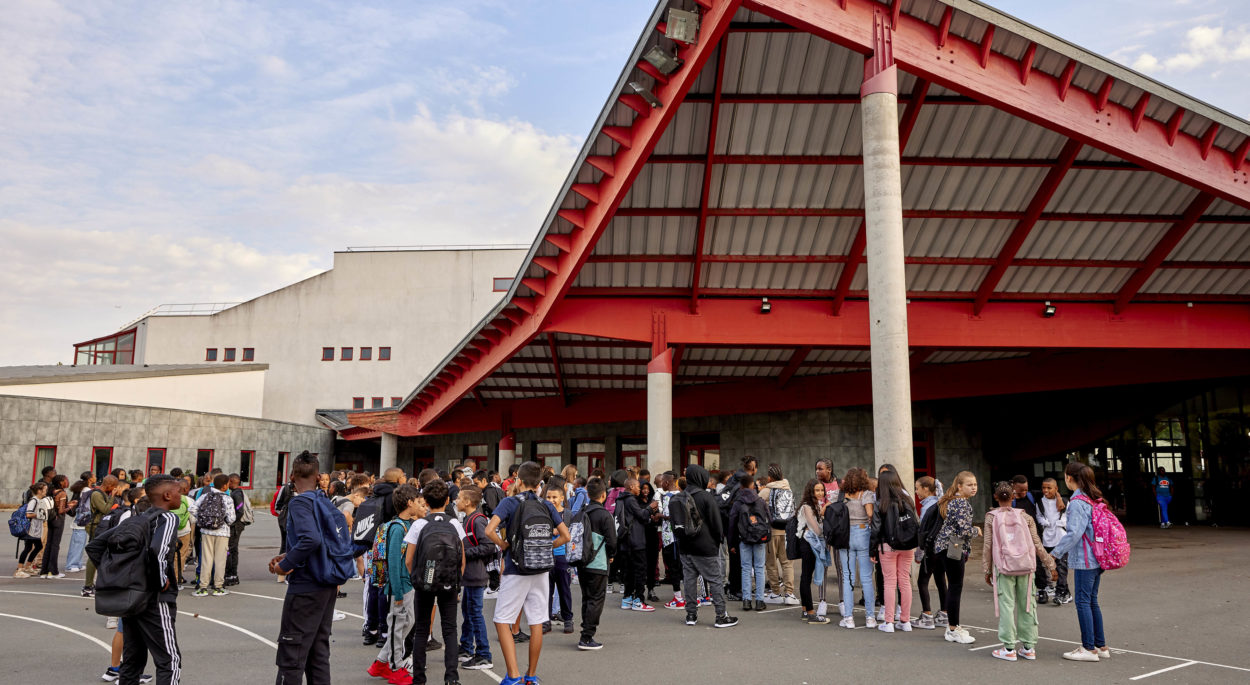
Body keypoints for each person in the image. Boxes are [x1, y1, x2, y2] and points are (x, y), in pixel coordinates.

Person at [484, 461, 571, 685]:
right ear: (539, 482)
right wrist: (545, 546)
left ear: (518, 480)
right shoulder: (547, 505)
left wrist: (503, 545)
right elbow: (565, 536)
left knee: (502, 620)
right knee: (537, 621)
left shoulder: (509, 502)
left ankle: (513, 675)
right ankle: (531, 675)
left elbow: (489, 529)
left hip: (516, 567)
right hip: (541, 569)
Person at [270, 451, 342, 684]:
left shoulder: (300, 501)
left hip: (306, 585)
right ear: (319, 476)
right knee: (318, 652)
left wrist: (286, 565)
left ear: (292, 476)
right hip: (326, 582)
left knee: (292, 652)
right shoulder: (323, 501)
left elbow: (311, 539)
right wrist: (288, 554)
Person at [983, 481, 1057, 662]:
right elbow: (1037, 544)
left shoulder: (991, 517)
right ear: (1014, 496)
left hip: (1003, 567)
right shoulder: (1025, 517)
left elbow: (987, 546)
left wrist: (987, 569)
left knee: (1007, 606)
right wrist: (1050, 565)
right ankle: (1029, 647)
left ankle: (1009, 648)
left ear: (995, 497)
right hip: (1026, 566)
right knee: (1027, 605)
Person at [401, 479, 465, 685]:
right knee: (450, 630)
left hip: (424, 582)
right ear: (448, 500)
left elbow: (409, 559)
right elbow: (462, 558)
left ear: (425, 502)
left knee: (421, 629)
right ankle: (451, 678)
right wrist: (457, 582)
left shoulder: (419, 524)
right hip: (448, 581)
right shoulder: (454, 523)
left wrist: (417, 578)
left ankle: (419, 678)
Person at [1052, 463, 1110, 663]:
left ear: (1069, 478)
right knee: (1092, 600)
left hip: (1085, 559)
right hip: (1098, 557)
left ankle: (1088, 648)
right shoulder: (1091, 498)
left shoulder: (1077, 501)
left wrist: (1055, 553)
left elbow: (1074, 533)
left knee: (1083, 602)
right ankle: (1100, 645)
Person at [366, 483, 422, 683]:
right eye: (417, 502)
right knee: (397, 626)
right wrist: (397, 592)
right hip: (398, 587)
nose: (419, 505)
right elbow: (393, 564)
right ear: (409, 503)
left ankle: (381, 661)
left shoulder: (408, 525)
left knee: (407, 622)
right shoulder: (398, 528)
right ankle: (395, 665)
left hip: (407, 585)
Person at [673, 465, 737, 628]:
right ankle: (721, 615)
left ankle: (691, 614)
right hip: (705, 546)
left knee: (689, 580)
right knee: (715, 580)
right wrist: (718, 541)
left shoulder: (678, 497)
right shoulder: (706, 497)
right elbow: (716, 523)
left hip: (685, 546)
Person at [934, 470, 980, 645]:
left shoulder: (955, 501)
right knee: (955, 587)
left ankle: (952, 627)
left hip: (947, 547)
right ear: (959, 486)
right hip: (952, 548)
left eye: (975, 484)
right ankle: (953, 629)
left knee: (953, 586)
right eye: (970, 485)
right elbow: (964, 530)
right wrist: (976, 530)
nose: (974, 488)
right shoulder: (961, 503)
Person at [871, 469, 917, 633]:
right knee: (904, 580)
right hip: (907, 545)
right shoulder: (908, 500)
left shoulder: (880, 503)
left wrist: (872, 550)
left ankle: (889, 622)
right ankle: (905, 621)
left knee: (889, 582)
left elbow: (875, 529)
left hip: (887, 546)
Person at [455, 485, 496, 670]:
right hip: (471, 576)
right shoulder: (469, 519)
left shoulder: (477, 521)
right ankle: (465, 648)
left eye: (459, 497)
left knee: (475, 614)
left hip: (476, 575)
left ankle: (484, 654)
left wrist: (464, 553)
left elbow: (488, 546)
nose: (456, 500)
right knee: (468, 612)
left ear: (468, 502)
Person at [576, 477, 617, 650]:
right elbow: (612, 541)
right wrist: (612, 555)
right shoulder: (605, 515)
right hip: (598, 562)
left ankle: (585, 630)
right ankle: (587, 636)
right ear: (603, 495)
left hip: (582, 561)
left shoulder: (582, 512)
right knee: (596, 599)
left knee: (587, 597)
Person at [837, 468, 875, 629]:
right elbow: (870, 514)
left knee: (848, 577)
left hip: (845, 536)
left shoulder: (842, 495)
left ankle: (848, 617)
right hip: (863, 533)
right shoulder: (866, 494)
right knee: (866, 578)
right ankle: (870, 617)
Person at [728, 473, 770, 613]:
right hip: (759, 538)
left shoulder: (738, 502)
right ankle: (759, 601)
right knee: (759, 568)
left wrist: (731, 543)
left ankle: (746, 600)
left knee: (745, 569)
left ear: (741, 486)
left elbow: (732, 524)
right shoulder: (760, 501)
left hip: (743, 538)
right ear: (753, 485)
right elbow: (769, 519)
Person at [188, 474, 235, 597]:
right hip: (222, 532)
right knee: (220, 559)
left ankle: (203, 587)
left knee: (206, 559)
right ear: (225, 486)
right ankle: (218, 586)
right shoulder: (227, 499)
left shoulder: (205, 496)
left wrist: (202, 519)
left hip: (206, 531)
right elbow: (231, 518)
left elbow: (192, 509)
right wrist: (225, 521)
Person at [757, 464, 797, 605]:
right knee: (787, 564)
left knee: (771, 563)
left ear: (770, 477)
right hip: (786, 531)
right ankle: (790, 594)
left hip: (771, 532)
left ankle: (775, 593)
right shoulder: (788, 488)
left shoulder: (766, 491)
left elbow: (756, 507)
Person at [616, 477, 657, 611]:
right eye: (638, 487)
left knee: (628, 571)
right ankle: (639, 600)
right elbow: (642, 515)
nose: (640, 489)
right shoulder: (631, 500)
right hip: (636, 540)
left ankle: (627, 598)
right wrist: (650, 508)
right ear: (631, 487)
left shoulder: (620, 499)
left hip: (624, 541)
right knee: (640, 570)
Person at [795, 478, 830, 624]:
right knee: (806, 576)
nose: (820, 492)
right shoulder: (807, 506)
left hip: (810, 541)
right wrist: (823, 521)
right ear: (811, 491)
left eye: (822, 490)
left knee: (806, 576)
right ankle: (810, 612)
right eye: (817, 490)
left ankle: (805, 609)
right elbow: (816, 528)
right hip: (808, 542)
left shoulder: (815, 505)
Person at [913, 477, 947, 630]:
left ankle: (927, 615)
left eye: (917, 488)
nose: (916, 491)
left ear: (926, 489)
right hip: (942, 548)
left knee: (922, 581)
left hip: (930, 548)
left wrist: (919, 553)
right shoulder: (940, 503)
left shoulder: (928, 507)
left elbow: (923, 532)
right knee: (940, 580)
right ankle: (944, 614)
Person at [544, 484, 576, 632]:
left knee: (564, 590)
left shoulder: (568, 514)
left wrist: (561, 531)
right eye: (548, 497)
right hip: (546, 557)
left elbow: (573, 534)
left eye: (555, 497)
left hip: (563, 557)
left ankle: (568, 619)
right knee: (546, 591)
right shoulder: (543, 513)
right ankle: (546, 620)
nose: (551, 500)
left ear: (562, 498)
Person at [1036, 477, 1071, 605]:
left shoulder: (1065, 502)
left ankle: (1060, 591)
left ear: (1056, 488)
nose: (1046, 490)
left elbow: (1069, 518)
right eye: (1043, 488)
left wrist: (1058, 523)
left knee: (1062, 565)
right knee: (1046, 565)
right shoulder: (1040, 502)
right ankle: (1051, 589)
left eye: (1049, 488)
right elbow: (1039, 516)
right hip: (1047, 538)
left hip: (1061, 537)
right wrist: (1044, 522)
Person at [83, 475, 119, 596]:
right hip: (95, 526)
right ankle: (87, 586)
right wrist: (112, 497)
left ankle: (98, 582)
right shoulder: (97, 494)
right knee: (94, 554)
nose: (114, 489)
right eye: (113, 487)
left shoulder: (103, 493)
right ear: (109, 485)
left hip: (101, 525)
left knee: (101, 554)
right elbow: (105, 510)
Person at [656, 474, 685, 609]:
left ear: (667, 482)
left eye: (662, 481)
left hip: (670, 537)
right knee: (681, 567)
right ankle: (685, 596)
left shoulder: (668, 497)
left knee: (673, 567)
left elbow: (670, 516)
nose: (661, 484)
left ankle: (678, 598)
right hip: (681, 536)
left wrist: (659, 515)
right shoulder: (682, 494)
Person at [38, 474, 70, 578]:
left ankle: (44, 571)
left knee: (48, 544)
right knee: (55, 545)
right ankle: (53, 571)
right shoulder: (62, 493)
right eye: (66, 480)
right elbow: (61, 510)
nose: (67, 482)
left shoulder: (51, 491)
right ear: (61, 482)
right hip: (58, 520)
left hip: (50, 519)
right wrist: (70, 507)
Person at [14, 482, 49, 577]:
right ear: (39, 491)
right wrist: (39, 515)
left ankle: (27, 567)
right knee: (28, 548)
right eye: (45, 490)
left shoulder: (40, 500)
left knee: (38, 547)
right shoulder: (34, 501)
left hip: (37, 528)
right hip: (31, 529)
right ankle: (19, 570)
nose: (46, 491)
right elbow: (28, 514)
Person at [224, 474, 248, 587]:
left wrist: (231, 522)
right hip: (236, 525)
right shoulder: (235, 492)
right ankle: (233, 574)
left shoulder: (236, 493)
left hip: (235, 527)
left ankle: (230, 575)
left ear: (232, 481)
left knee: (230, 550)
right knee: (233, 550)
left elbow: (239, 509)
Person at [66, 474, 92, 573]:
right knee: (77, 544)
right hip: (81, 522)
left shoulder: (83, 489)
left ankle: (77, 563)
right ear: (90, 479)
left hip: (80, 521)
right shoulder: (86, 490)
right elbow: (84, 507)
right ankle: (71, 564)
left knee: (79, 544)